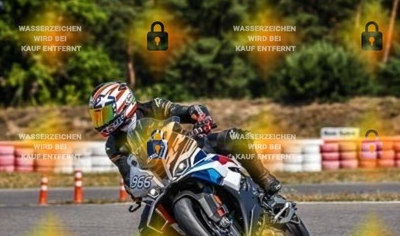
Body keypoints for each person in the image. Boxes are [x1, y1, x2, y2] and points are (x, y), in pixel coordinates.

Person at [88, 81, 282, 195]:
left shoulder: (153, 107)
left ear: (122, 103)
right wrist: (136, 188)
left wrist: (202, 119)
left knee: (236, 137)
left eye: (104, 114)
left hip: (192, 148)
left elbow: (189, 110)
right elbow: (128, 177)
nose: (101, 121)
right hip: (161, 182)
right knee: (147, 231)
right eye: (97, 116)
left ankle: (263, 179)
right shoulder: (113, 146)